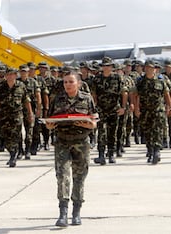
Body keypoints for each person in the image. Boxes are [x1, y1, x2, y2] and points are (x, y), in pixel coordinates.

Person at [46, 71, 97, 227]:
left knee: (79, 177)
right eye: (65, 82)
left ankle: (76, 212)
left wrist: (90, 124)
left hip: (81, 142)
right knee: (62, 176)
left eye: (70, 82)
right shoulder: (57, 99)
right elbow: (49, 119)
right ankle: (63, 213)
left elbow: (94, 121)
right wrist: (49, 125)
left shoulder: (87, 99)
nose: (67, 84)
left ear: (79, 84)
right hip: (62, 142)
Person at [132, 60, 171, 164]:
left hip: (158, 110)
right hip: (145, 111)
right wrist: (136, 108)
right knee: (147, 132)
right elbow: (136, 96)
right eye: (147, 68)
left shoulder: (161, 81)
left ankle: (156, 151)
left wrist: (169, 107)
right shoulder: (140, 81)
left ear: (155, 69)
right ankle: (150, 151)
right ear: (144, 69)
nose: (149, 70)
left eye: (151, 68)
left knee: (158, 131)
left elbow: (166, 95)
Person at [0, 68, 33, 167]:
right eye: (8, 74)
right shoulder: (0, 86)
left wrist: (30, 114)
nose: (10, 76)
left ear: (15, 75)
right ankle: (11, 152)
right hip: (3, 115)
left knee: (16, 135)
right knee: (5, 136)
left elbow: (26, 100)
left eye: (12, 74)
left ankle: (13, 156)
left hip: (16, 114)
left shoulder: (21, 86)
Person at [91, 57, 128, 165]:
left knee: (112, 132)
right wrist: (95, 108)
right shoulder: (97, 79)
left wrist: (123, 107)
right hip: (101, 110)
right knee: (101, 132)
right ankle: (101, 154)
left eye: (108, 66)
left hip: (114, 109)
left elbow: (124, 93)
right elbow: (94, 95)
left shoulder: (118, 78)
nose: (106, 68)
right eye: (104, 66)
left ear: (112, 67)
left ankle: (111, 154)